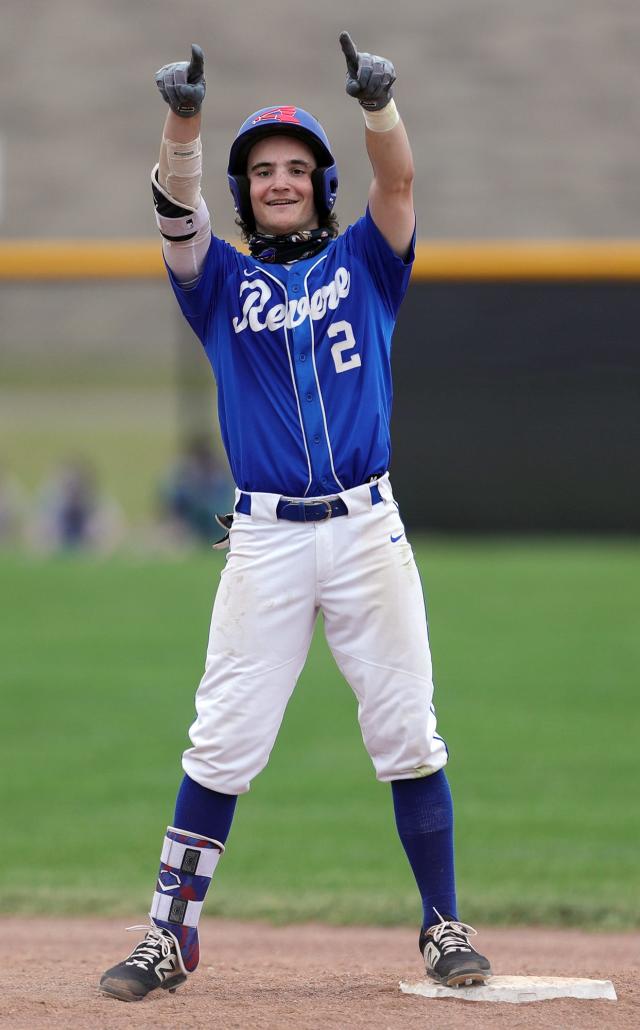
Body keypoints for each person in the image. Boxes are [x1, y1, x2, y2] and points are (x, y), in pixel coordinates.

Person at [99, 32, 491, 1003]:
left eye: (296, 169)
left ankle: (443, 921)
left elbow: (397, 186)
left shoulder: (368, 260)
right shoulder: (219, 284)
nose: (280, 181)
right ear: (246, 190)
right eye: (263, 170)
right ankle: (168, 935)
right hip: (268, 535)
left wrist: (376, 110)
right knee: (223, 739)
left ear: (321, 184)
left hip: (365, 529)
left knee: (407, 731)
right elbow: (173, 211)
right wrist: (185, 122)